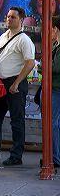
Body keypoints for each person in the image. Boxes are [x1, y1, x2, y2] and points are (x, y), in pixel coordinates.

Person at [0, 7, 35, 166]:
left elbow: (30, 62)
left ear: (21, 20)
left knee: (17, 120)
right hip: (0, 83)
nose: (9, 19)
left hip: (14, 83)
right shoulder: (4, 36)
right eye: (8, 16)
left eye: (13, 17)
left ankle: (16, 155)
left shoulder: (24, 39)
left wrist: (17, 82)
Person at [50, 15, 60, 169]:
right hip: (54, 88)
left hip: (57, 89)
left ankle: (55, 157)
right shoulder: (55, 45)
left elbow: (55, 68)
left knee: (54, 123)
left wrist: (42, 66)